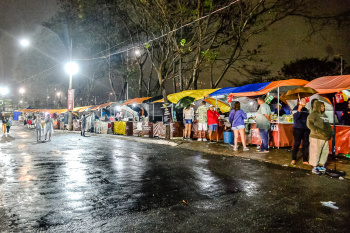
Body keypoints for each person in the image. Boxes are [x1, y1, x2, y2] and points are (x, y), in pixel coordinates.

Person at [307, 101, 333, 175]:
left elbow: (327, 125)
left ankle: (321, 165)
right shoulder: (313, 115)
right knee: (315, 152)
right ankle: (314, 167)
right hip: (316, 137)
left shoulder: (324, 115)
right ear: (317, 106)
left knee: (325, 152)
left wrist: (330, 133)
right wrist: (317, 130)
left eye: (323, 106)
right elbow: (309, 124)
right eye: (321, 106)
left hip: (325, 137)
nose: (323, 108)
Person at [291, 98, 310, 165]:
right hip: (297, 129)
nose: (304, 102)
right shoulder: (295, 108)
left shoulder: (306, 110)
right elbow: (296, 118)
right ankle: (293, 159)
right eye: (303, 100)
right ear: (299, 102)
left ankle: (305, 160)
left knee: (306, 144)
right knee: (297, 144)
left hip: (306, 129)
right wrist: (299, 109)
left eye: (305, 101)